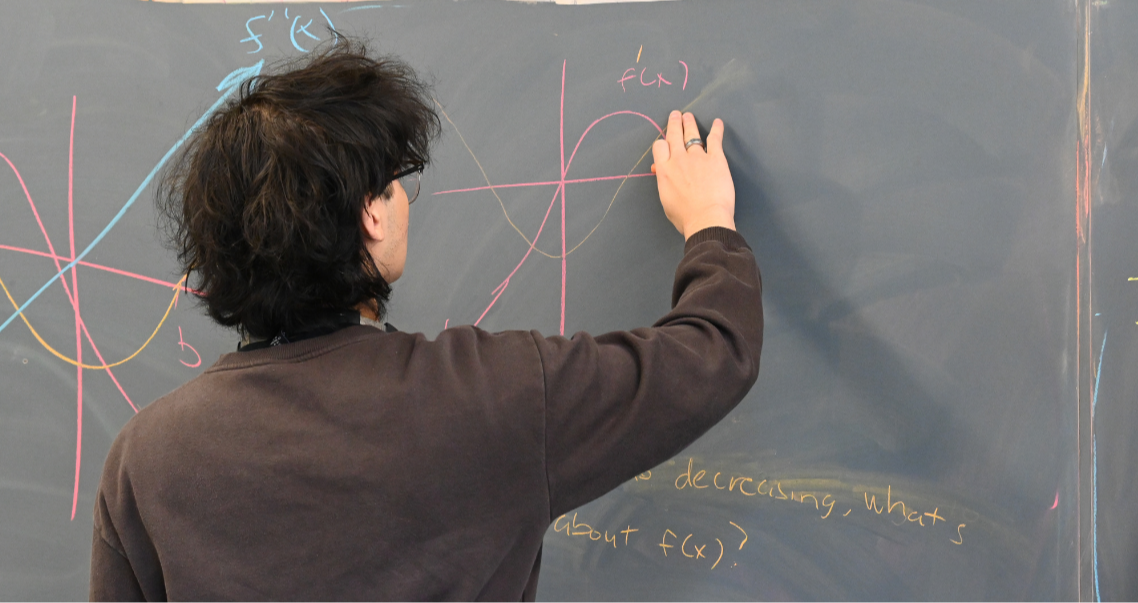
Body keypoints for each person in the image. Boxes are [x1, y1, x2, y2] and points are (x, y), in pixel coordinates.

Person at [89, 39, 763, 602]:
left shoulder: (147, 459)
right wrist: (709, 224)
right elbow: (712, 355)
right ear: (371, 215)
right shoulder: (491, 395)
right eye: (395, 178)